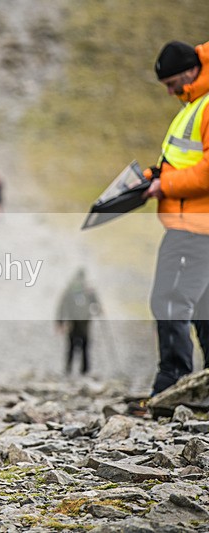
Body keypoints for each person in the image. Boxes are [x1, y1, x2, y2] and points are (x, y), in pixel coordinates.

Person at [128, 40, 209, 416]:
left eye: (173, 82)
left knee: (170, 299)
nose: (169, 91)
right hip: (189, 222)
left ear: (192, 70)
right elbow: (181, 161)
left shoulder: (206, 105)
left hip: (195, 225)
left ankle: (173, 386)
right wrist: (151, 177)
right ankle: (202, 387)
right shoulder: (193, 106)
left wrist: (165, 186)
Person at [56, 268, 101, 375]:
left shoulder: (70, 288)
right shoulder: (88, 288)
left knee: (71, 345)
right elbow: (96, 303)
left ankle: (68, 368)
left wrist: (60, 322)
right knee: (85, 345)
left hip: (72, 321)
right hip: (84, 321)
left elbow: (62, 306)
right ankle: (85, 369)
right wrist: (98, 310)